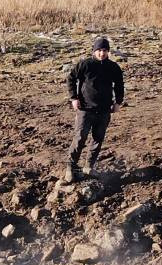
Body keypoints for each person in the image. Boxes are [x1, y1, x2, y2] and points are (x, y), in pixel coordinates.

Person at [64, 36, 124, 182]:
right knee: (80, 138)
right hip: (85, 109)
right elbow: (71, 78)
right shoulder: (86, 64)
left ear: (108, 52)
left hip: (104, 110)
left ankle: (89, 166)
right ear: (94, 51)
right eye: (99, 50)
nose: (102, 53)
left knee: (98, 139)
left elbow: (119, 85)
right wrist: (74, 98)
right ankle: (71, 167)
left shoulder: (113, 67)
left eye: (105, 50)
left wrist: (118, 102)